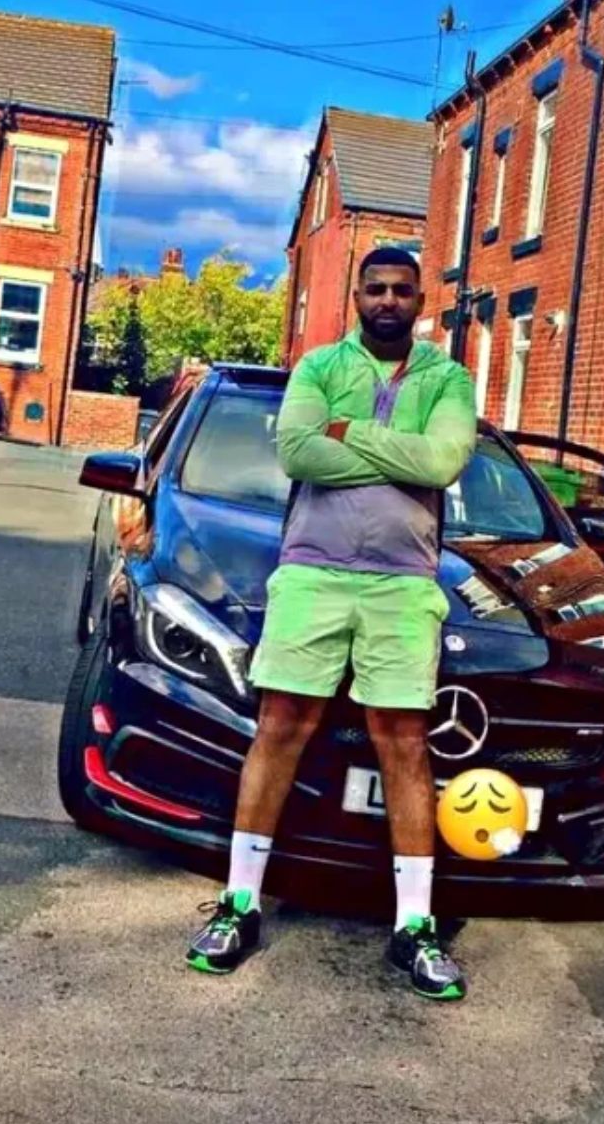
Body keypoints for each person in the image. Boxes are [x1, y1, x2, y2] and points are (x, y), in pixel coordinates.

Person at [184, 246, 479, 1001]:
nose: (387, 300)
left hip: (404, 584)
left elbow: (444, 461)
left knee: (405, 742)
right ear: (356, 294)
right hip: (312, 574)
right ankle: (239, 903)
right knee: (280, 724)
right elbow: (296, 450)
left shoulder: (448, 378)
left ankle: (414, 925)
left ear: (421, 299)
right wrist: (389, 453)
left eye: (401, 290)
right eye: (375, 288)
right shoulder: (317, 368)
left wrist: (349, 436)